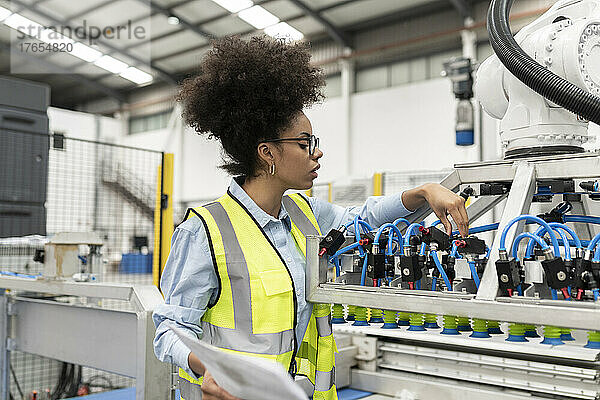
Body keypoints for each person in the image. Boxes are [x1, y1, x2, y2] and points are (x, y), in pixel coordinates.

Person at [153, 35, 469, 400]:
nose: (317, 153)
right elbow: (168, 331)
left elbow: (362, 219)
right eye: (305, 143)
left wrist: (422, 192)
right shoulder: (204, 231)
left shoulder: (306, 214)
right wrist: (209, 370)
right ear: (267, 152)